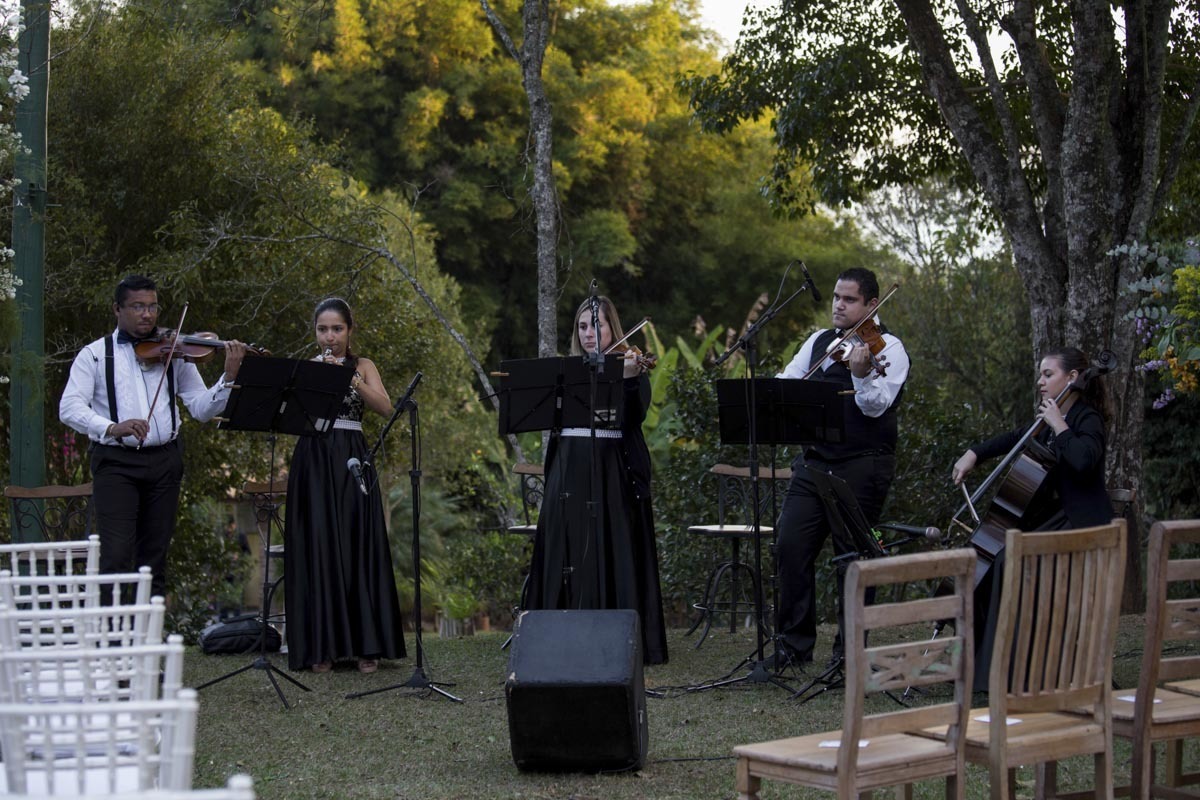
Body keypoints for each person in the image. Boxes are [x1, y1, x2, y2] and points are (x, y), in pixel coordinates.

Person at [59, 274, 247, 600]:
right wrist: (111, 427)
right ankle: (113, 631)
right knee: (117, 556)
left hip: (165, 461)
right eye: (138, 307)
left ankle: (149, 630)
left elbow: (201, 409)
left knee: (155, 559)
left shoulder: (173, 351)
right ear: (117, 309)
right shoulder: (95, 355)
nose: (147, 314)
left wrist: (228, 379)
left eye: (152, 306)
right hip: (116, 464)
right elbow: (69, 407)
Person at [773, 267, 910, 668]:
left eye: (849, 299)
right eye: (836, 297)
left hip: (863, 463)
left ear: (872, 304)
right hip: (815, 462)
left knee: (853, 559)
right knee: (790, 545)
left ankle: (849, 655)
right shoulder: (819, 341)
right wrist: (773, 393)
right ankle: (793, 647)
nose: (838, 305)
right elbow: (789, 380)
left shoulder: (889, 347)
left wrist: (861, 374)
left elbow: (877, 406)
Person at [951, 346, 1113, 683]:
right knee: (990, 558)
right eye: (1040, 374)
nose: (1040, 381)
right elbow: (1015, 438)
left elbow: (1084, 461)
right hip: (1055, 520)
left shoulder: (1086, 418)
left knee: (1007, 560)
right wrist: (974, 454)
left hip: (1080, 524)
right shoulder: (1048, 419)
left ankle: (1012, 668)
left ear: (1072, 378)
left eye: (1048, 374)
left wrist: (1060, 426)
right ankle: (984, 665)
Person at [523, 296, 668, 665]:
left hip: (610, 470)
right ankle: (557, 636)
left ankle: (616, 639)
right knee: (566, 545)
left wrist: (630, 381)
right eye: (583, 326)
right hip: (568, 467)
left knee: (609, 542)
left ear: (611, 327)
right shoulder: (567, 372)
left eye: (596, 325)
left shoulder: (630, 366)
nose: (589, 333)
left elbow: (633, 419)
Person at [282, 297, 406, 674]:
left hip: (352, 453)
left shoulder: (363, 365)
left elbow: (385, 407)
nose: (330, 337)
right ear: (315, 332)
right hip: (314, 458)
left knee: (357, 541)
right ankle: (322, 647)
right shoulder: (308, 366)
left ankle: (367, 644)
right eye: (323, 329)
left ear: (350, 330)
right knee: (319, 543)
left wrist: (349, 378)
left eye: (337, 329)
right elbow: (290, 414)